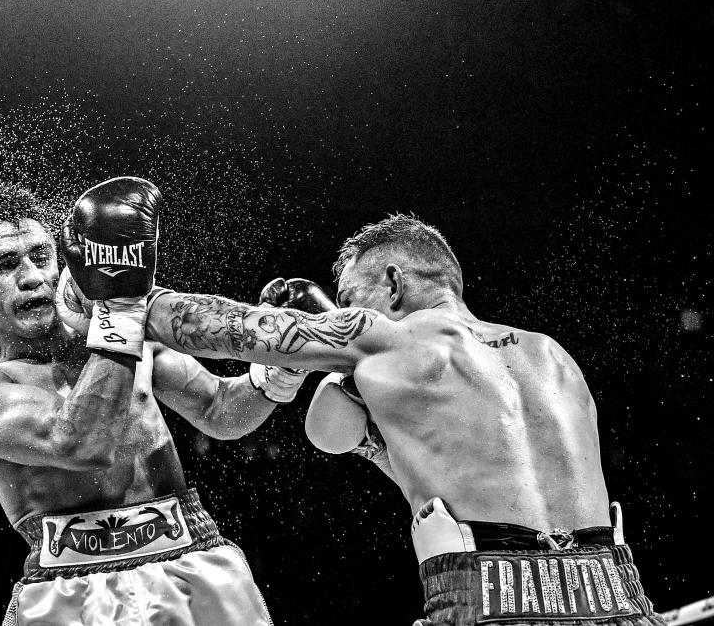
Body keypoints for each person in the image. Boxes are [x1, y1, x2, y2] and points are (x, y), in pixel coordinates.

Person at [133, 205, 665, 624]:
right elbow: (369, 448)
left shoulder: (383, 339)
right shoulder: (552, 354)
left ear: (392, 283)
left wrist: (122, 285)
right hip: (615, 587)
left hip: (488, 590)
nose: (341, 314)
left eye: (349, 299)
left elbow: (228, 330)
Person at [0, 179, 304, 626]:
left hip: (193, 561)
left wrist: (281, 367)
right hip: (68, 590)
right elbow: (77, 443)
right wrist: (121, 313)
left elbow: (220, 411)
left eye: (41, 257)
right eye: (3, 265)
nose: (30, 277)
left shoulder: (120, 333)